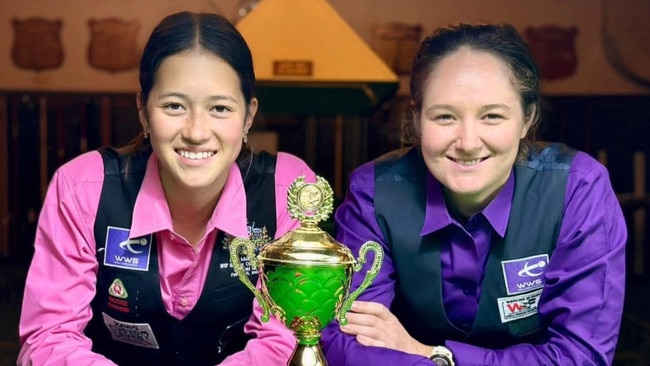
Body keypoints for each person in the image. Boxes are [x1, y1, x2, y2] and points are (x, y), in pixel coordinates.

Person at [321, 23, 626, 365]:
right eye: (445, 117)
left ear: (527, 119)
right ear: (417, 120)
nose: (467, 142)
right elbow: (349, 342)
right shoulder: (374, 192)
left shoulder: (577, 189)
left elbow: (580, 356)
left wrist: (433, 355)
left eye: (492, 116)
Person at [18, 11, 313, 366]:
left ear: (248, 116)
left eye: (220, 108)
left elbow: (286, 338)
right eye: (174, 106)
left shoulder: (290, 191)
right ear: (143, 110)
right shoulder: (83, 187)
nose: (196, 131)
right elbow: (51, 336)